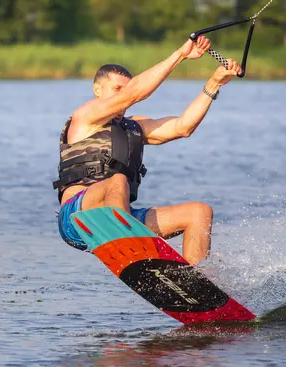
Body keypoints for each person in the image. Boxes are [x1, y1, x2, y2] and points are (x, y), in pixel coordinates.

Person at [52, 36, 242, 266]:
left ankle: (195, 283)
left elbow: (183, 127)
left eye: (126, 88)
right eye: (117, 89)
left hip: (121, 219)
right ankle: (130, 247)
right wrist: (180, 54)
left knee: (199, 212)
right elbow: (134, 94)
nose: (122, 94)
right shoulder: (85, 117)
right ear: (97, 90)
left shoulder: (134, 127)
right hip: (78, 217)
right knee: (117, 181)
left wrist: (214, 83)